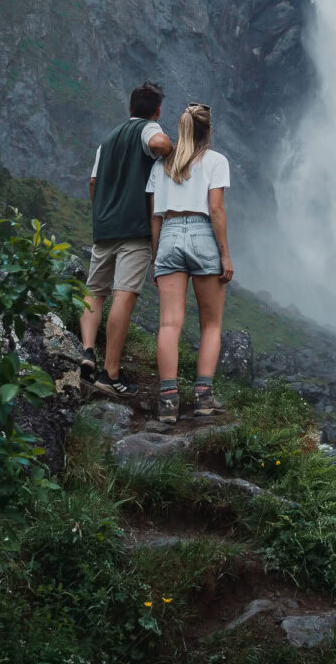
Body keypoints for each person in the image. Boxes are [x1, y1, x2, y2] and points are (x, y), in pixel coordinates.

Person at [80, 81, 173, 396]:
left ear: (129, 107)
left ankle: (87, 351)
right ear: (156, 110)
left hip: (104, 226)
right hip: (133, 229)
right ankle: (111, 373)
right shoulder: (148, 130)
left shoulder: (106, 140)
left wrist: (102, 211)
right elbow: (160, 144)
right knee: (124, 295)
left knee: (95, 291)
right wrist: (171, 150)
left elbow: (93, 182)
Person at [148, 103, 233, 428]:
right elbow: (216, 209)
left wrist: (157, 257)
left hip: (169, 234)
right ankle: (203, 397)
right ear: (208, 131)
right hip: (201, 234)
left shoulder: (162, 165)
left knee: (170, 324)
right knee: (210, 324)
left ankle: (168, 401)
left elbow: (155, 217)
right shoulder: (216, 161)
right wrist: (224, 254)